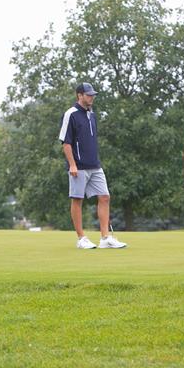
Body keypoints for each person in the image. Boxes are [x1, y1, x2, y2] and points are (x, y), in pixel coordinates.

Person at [58, 83, 127, 249]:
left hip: (95, 165)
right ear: (79, 95)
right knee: (77, 199)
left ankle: (105, 238)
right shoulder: (71, 114)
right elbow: (66, 143)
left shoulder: (92, 115)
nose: (92, 97)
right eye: (88, 95)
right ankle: (81, 238)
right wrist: (72, 165)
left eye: (92, 95)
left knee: (104, 197)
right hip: (78, 166)